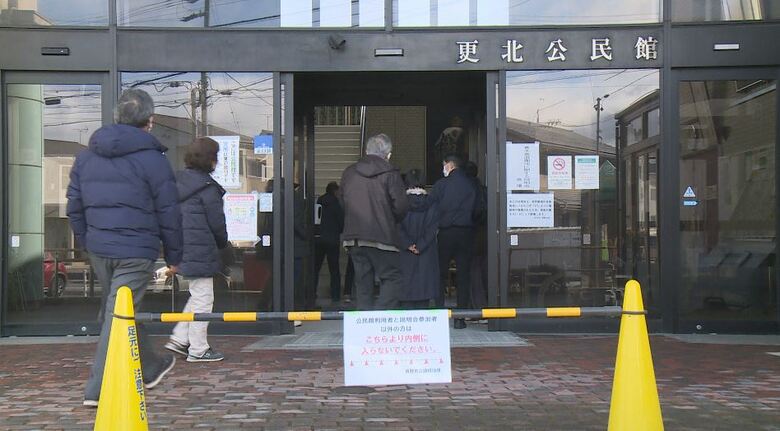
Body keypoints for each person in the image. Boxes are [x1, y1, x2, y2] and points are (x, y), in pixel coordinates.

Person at [67, 88, 182, 407]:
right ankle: (97, 390)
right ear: (150, 121)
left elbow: (74, 207)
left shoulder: (85, 156)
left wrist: (89, 241)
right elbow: (169, 212)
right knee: (117, 315)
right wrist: (174, 256)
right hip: (136, 251)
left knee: (116, 311)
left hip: (100, 249)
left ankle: (152, 366)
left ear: (117, 117)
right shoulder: (154, 161)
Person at [164, 137, 227, 362]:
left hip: (182, 246)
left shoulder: (176, 184)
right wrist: (223, 243)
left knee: (197, 294)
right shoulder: (208, 189)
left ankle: (180, 339)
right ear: (210, 160)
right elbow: (217, 224)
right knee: (203, 299)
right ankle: (198, 349)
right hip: (201, 248)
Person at [340, 133, 408, 310]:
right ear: (388, 154)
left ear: (366, 151)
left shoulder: (349, 173)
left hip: (354, 237)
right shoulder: (390, 173)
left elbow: (343, 202)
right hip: (383, 237)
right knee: (392, 278)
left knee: (362, 283)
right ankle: (381, 319)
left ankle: (366, 327)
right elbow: (401, 207)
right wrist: (390, 220)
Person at [430, 154, 477, 329]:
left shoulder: (441, 185)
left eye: (444, 165)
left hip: (445, 233)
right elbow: (479, 208)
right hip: (466, 232)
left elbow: (431, 207)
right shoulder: (471, 185)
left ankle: (439, 315)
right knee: (463, 276)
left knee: (440, 274)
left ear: (449, 165)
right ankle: (460, 318)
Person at [397, 169, 439, 309]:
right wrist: (420, 245)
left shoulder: (399, 203)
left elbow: (395, 226)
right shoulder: (432, 203)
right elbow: (432, 228)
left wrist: (408, 244)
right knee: (423, 296)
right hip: (425, 253)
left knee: (404, 295)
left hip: (404, 253)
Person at [314, 182, 345, 305]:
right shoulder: (337, 204)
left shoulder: (318, 203)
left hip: (318, 239)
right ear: (335, 191)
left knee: (315, 268)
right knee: (334, 269)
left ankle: (311, 293)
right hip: (332, 240)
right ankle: (335, 296)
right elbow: (341, 223)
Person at [465, 161, 488, 316]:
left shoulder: (468, 189)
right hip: (485, 233)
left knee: (472, 270)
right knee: (481, 268)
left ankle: (477, 307)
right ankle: (482, 305)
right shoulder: (483, 188)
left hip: (472, 232)